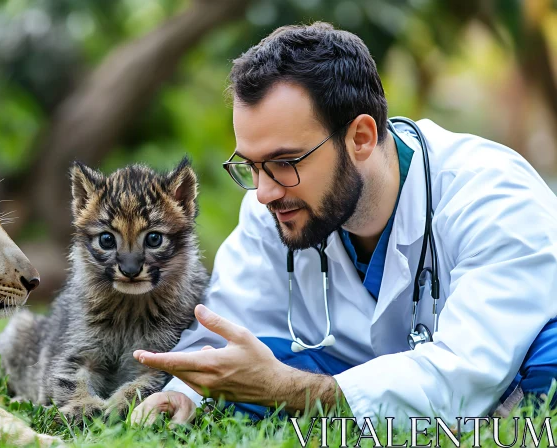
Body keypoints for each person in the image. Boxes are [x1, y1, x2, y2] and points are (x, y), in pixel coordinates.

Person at [129, 22, 557, 426]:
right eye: (252, 166)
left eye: (284, 162)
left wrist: (292, 391)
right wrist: (187, 392)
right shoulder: (278, 204)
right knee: (268, 358)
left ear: (361, 138)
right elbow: (228, 335)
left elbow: (467, 372)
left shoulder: (493, 195)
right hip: (346, 370)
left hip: (512, 358)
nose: (263, 193)